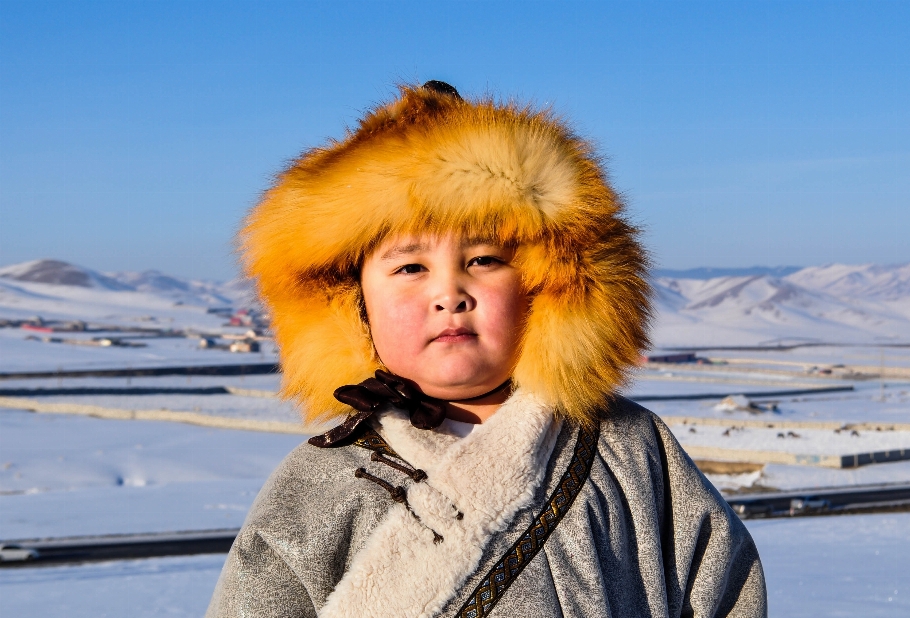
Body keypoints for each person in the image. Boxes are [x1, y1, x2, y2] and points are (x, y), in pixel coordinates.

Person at [206, 81, 767, 618]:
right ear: (350, 307)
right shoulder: (317, 486)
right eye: (409, 268)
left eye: (484, 260)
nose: (450, 293)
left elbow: (726, 590)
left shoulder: (630, 448)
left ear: (551, 288)